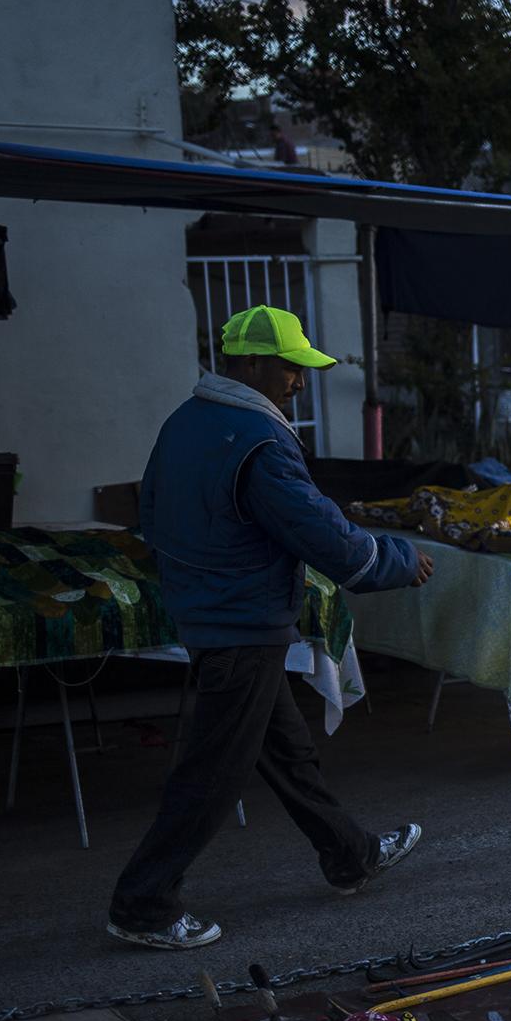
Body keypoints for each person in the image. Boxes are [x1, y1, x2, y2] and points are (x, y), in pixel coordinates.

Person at [108, 306, 432, 950]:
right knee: (212, 774)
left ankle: (351, 854)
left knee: (286, 752)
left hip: (214, 615)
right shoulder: (257, 440)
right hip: (242, 624)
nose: (298, 382)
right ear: (252, 364)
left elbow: (150, 513)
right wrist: (397, 560)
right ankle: (141, 902)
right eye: (290, 369)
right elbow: (328, 540)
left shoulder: (186, 422)